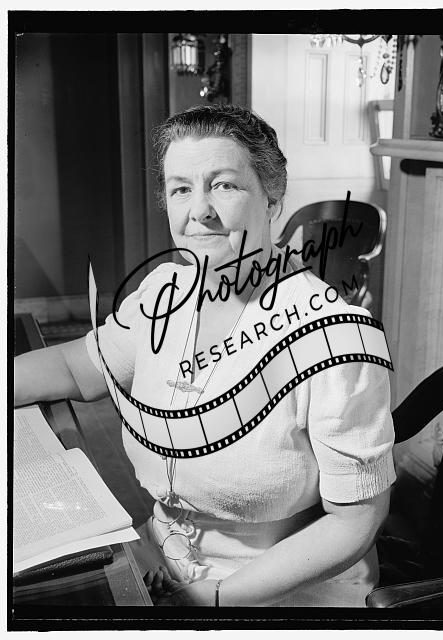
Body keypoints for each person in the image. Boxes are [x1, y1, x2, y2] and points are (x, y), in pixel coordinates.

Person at [15, 104, 396, 607]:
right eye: (180, 189)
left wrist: (215, 597)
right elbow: (76, 368)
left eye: (224, 185)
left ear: (273, 197)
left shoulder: (336, 337)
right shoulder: (164, 291)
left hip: (277, 590)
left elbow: (357, 521)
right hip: (159, 560)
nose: (199, 211)